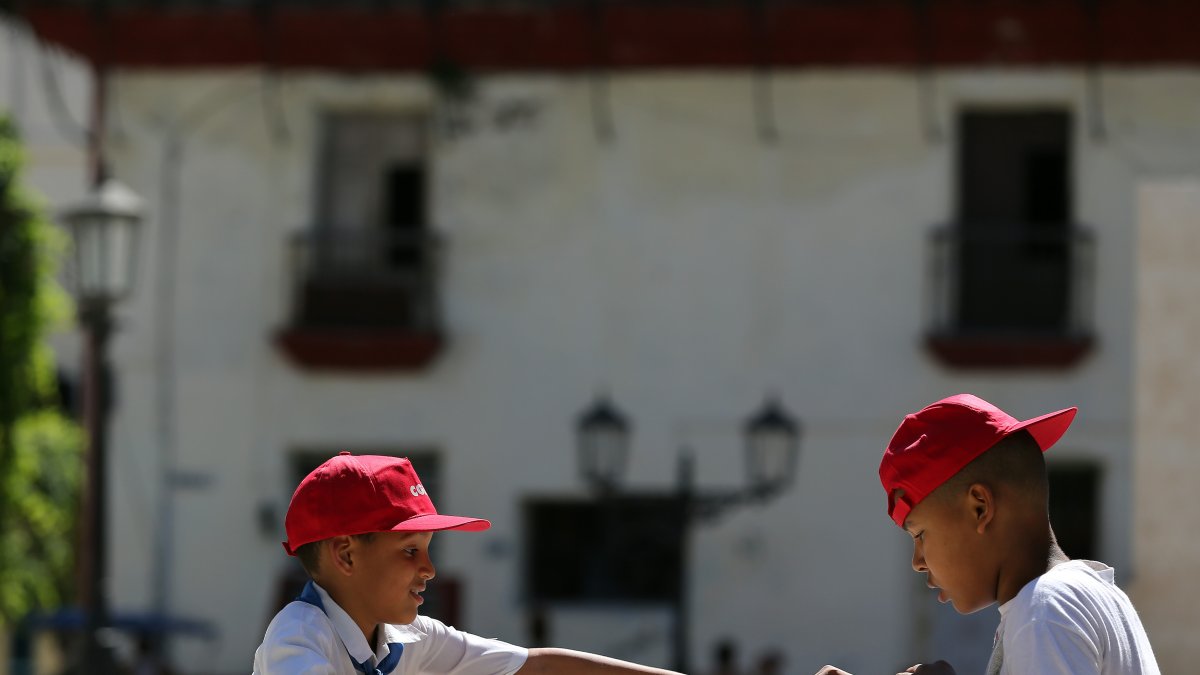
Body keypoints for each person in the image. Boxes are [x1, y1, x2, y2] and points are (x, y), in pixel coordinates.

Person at [816, 394, 1160, 675]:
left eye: (920, 534)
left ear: (980, 507)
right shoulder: (1092, 594)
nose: (917, 563)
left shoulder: (1045, 608)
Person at [253, 452, 684, 675]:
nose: (429, 569)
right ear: (346, 555)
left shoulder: (408, 638)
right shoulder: (297, 640)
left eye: (429, 549)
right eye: (409, 550)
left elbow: (537, 666)